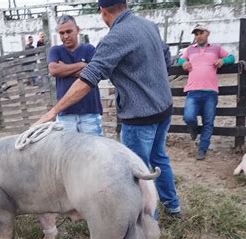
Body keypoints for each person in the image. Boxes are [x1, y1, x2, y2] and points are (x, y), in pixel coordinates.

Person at [36, 0, 181, 217]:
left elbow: (88, 78)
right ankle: (173, 205)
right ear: (125, 4)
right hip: (164, 108)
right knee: (159, 157)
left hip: (139, 116)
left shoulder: (114, 38)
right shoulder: (149, 25)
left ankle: (148, 220)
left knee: (137, 171)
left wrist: (53, 111)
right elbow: (166, 57)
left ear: (103, 13)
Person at [178, 24, 235, 160]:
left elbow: (232, 58)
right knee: (188, 117)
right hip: (193, 90)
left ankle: (202, 149)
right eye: (196, 34)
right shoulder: (190, 50)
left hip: (210, 91)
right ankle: (194, 128)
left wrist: (223, 60)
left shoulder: (216, 48)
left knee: (208, 122)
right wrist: (183, 63)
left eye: (201, 33)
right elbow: (181, 58)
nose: (198, 36)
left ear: (207, 33)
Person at [48, 15, 103, 136]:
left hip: (90, 112)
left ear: (77, 29)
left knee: (93, 151)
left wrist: (64, 70)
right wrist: (82, 65)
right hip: (66, 113)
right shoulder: (55, 51)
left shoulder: (89, 49)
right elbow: (53, 70)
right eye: (61, 33)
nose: (65, 36)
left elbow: (95, 72)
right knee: (67, 152)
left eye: (69, 31)